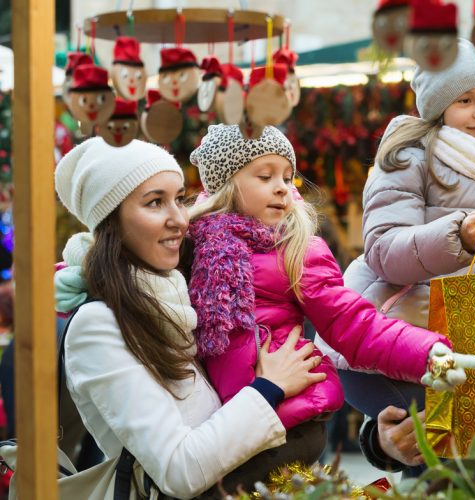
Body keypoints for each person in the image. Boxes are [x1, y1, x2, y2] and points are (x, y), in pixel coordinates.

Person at [185, 125, 475, 467]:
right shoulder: (195, 246)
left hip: (287, 420)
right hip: (226, 420)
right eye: (265, 176)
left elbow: (353, 322)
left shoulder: (294, 250)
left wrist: (427, 354)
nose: (282, 188)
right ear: (225, 184)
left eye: (287, 177)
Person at [53, 137, 324, 498]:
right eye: (154, 203)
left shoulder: (183, 295)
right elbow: (178, 471)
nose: (180, 219)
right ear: (110, 221)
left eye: (179, 198)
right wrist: (268, 388)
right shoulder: (97, 325)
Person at [339, 38, 475, 472]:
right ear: (438, 107)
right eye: (465, 100)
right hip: (397, 334)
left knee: (467, 455)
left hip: (468, 333)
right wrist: (457, 236)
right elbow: (383, 248)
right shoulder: (410, 156)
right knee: (435, 456)